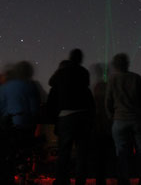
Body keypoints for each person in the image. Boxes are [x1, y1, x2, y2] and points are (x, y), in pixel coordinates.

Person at [49, 49, 94, 185]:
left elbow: (52, 84)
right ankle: (80, 181)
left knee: (64, 152)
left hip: (66, 116)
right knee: (82, 153)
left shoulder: (61, 73)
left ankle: (62, 180)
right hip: (83, 115)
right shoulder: (84, 72)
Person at [106, 53, 141, 185]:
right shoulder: (136, 78)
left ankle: (124, 181)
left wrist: (111, 117)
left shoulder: (112, 80)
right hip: (137, 119)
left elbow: (108, 101)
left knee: (121, 154)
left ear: (115, 65)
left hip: (119, 120)